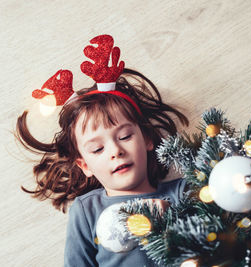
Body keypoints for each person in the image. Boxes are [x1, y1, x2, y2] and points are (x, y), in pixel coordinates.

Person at [15, 35, 189, 267]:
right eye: (97, 149)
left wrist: (176, 215)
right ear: (85, 165)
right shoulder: (87, 211)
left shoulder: (181, 192)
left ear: (146, 138)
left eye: (125, 136)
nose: (115, 151)